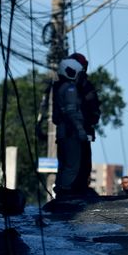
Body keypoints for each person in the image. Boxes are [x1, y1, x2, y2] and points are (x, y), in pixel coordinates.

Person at [52, 58, 87, 198]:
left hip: (62, 132)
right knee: (72, 166)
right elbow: (72, 112)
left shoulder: (59, 88)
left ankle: (61, 191)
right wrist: (80, 130)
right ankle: (65, 193)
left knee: (63, 165)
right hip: (70, 132)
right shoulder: (70, 88)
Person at [68, 52, 101, 196]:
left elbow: (94, 108)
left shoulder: (86, 85)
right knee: (71, 163)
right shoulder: (67, 86)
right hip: (70, 131)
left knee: (85, 162)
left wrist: (93, 118)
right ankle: (69, 191)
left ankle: (80, 188)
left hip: (84, 130)